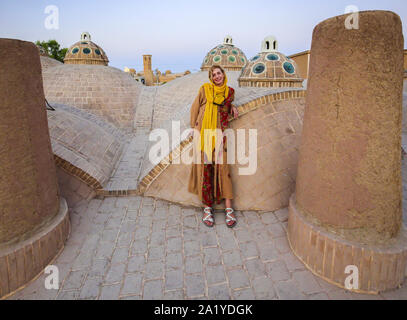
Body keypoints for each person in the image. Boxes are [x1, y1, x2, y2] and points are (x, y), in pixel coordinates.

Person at [188, 65, 239, 228]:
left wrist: (232, 106)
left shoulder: (229, 93)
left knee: (223, 169)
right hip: (203, 135)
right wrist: (193, 128)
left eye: (219, 73)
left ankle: (229, 209)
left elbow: (225, 108)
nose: (217, 76)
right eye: (213, 75)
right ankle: (207, 209)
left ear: (223, 74)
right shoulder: (205, 90)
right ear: (210, 78)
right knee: (205, 169)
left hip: (220, 136)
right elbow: (195, 109)